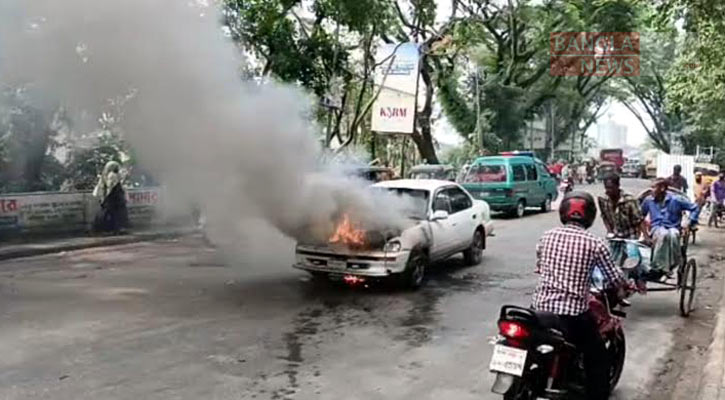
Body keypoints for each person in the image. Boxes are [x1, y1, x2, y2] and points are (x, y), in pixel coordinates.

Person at [532, 192, 627, 400]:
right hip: (572, 316)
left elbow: (539, 267)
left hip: (539, 310)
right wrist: (624, 285)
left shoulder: (547, 236)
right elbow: (613, 277)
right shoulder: (595, 243)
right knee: (598, 357)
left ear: (563, 212)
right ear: (590, 216)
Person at [641, 179, 699, 273]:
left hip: (673, 227)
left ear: (662, 188)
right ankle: (658, 266)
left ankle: (672, 263)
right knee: (663, 234)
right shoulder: (648, 200)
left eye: (654, 187)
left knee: (673, 235)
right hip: (656, 228)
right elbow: (640, 215)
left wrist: (690, 221)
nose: (651, 190)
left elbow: (695, 208)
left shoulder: (676, 200)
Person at [92, 160, 129, 234]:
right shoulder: (112, 175)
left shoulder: (105, 175)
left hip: (109, 198)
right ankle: (114, 229)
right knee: (115, 214)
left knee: (108, 214)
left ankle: (107, 229)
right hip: (113, 198)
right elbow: (111, 187)